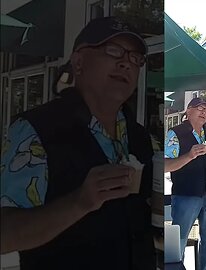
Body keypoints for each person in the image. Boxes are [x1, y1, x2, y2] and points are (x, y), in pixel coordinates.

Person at [0, 17, 156, 269]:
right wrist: (79, 202)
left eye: (135, 58)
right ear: (79, 61)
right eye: (114, 50)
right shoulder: (34, 130)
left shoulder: (141, 138)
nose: (126, 63)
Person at [164, 97, 206, 270]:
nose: (204, 112)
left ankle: (205, 268)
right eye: (199, 108)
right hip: (185, 196)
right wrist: (189, 155)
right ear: (188, 111)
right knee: (180, 241)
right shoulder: (175, 134)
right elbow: (165, 166)